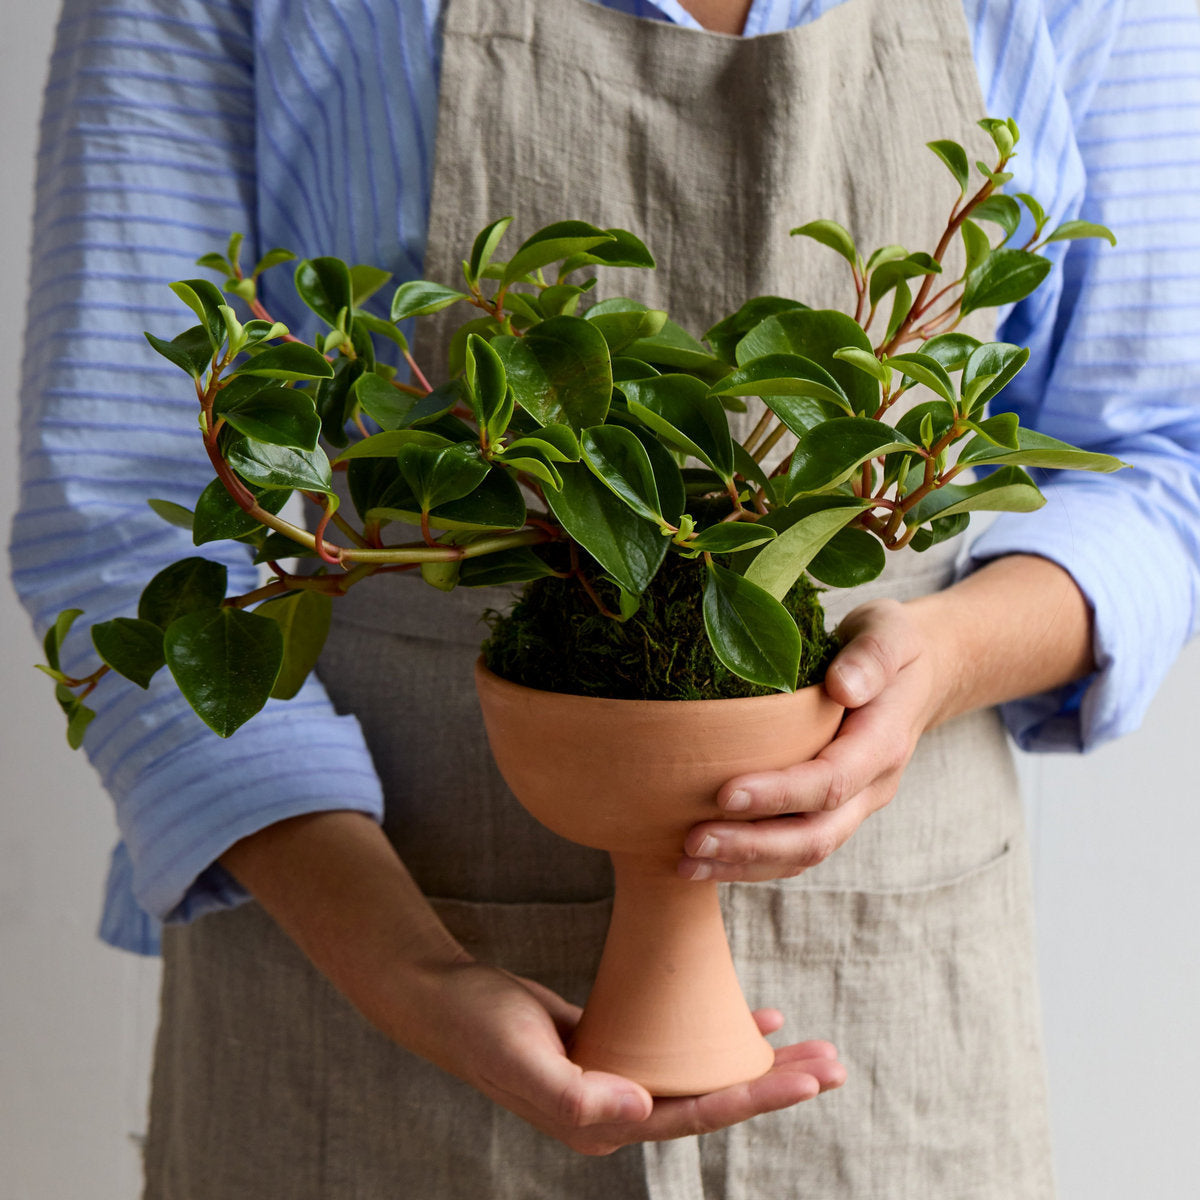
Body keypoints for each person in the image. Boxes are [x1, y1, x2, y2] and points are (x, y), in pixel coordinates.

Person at [11, 0, 1200, 1196]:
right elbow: (124, 500)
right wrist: (407, 969)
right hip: (359, 979)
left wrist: (944, 656)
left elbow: (1163, 457)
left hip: (885, 999)